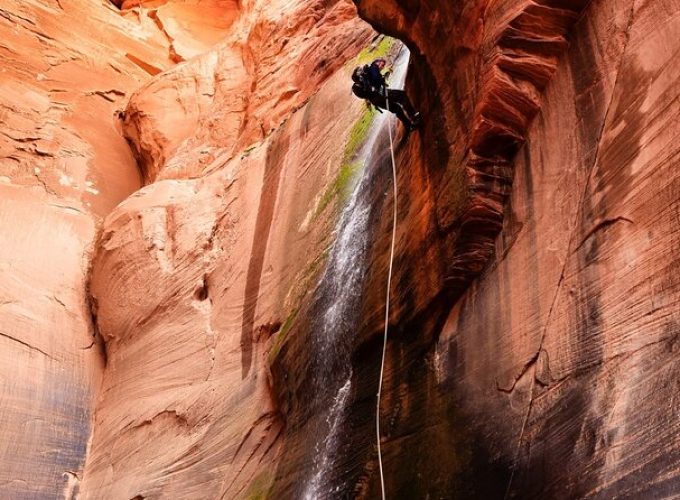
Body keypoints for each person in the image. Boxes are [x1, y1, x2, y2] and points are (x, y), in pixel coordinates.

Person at [352, 58, 421, 131]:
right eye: (382, 64)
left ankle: (409, 126)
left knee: (397, 109)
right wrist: (380, 79)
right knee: (401, 96)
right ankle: (414, 117)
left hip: (376, 100)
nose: (382, 66)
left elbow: (368, 91)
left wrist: (381, 79)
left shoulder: (361, 83)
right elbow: (376, 81)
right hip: (380, 95)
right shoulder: (372, 69)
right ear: (378, 62)